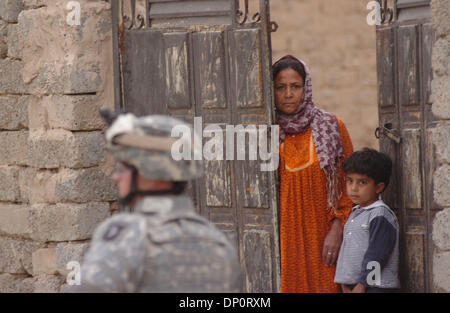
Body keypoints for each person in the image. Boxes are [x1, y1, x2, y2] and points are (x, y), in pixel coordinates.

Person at [70, 111, 242, 292]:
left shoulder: (127, 235)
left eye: (123, 167)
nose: (116, 177)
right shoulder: (219, 243)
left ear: (149, 172)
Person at [274, 55, 354, 292]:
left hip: (324, 239)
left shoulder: (331, 126)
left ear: (305, 88)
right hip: (285, 241)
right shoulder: (265, 132)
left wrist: (337, 229)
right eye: (280, 87)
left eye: (295, 86)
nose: (288, 94)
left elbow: (349, 183)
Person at [334, 148, 400, 293]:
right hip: (355, 286)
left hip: (375, 287)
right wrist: (344, 282)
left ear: (378, 187)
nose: (353, 188)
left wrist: (363, 284)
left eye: (362, 182)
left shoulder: (380, 214)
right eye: (350, 181)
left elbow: (378, 254)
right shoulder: (355, 213)